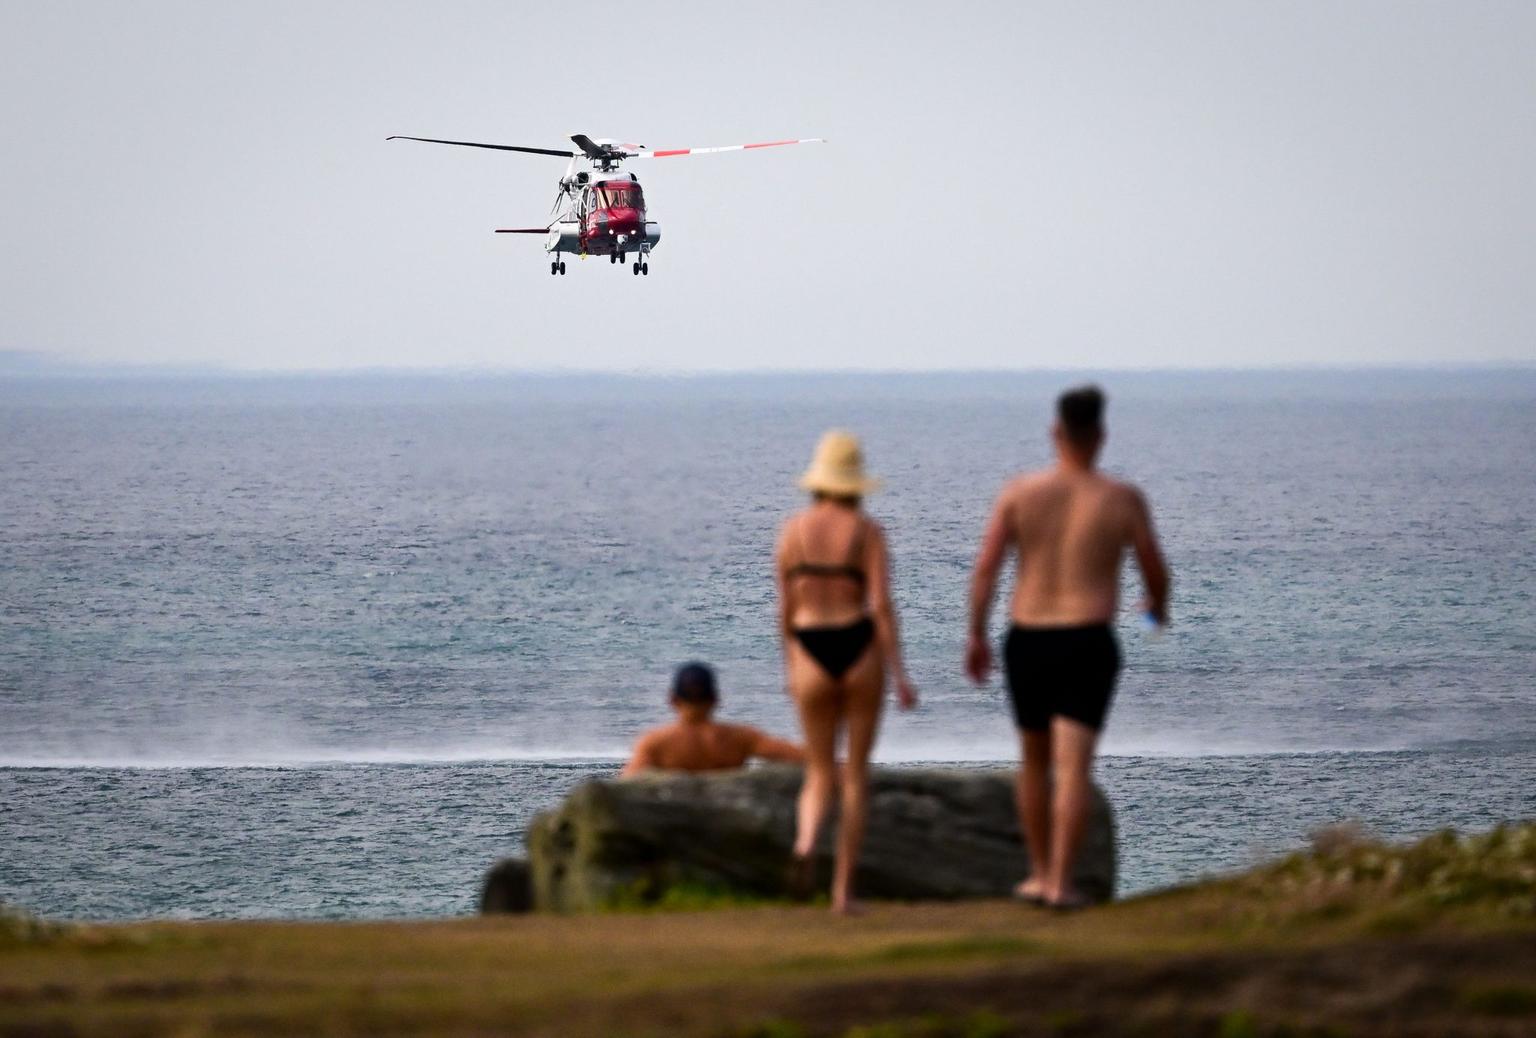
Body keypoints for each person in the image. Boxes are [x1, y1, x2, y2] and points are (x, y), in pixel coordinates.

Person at [965, 386, 1169, 911]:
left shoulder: (1019, 492)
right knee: (1075, 767)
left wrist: (976, 635)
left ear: (1055, 432)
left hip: (1028, 638)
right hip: (1086, 640)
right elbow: (1154, 569)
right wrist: (1156, 609)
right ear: (1101, 435)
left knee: (1033, 762)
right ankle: (1061, 883)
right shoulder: (1121, 499)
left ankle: (1037, 876)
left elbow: (986, 569)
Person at [776, 430, 918, 914]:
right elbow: (881, 606)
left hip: (808, 646)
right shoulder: (867, 531)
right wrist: (900, 674)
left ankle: (804, 843)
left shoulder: (792, 532)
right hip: (858, 646)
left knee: (819, 771)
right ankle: (842, 893)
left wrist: (790, 665)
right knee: (855, 775)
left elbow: (784, 610)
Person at [620, 662, 805, 777]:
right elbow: (798, 757)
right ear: (716, 698)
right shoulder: (740, 738)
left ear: (673, 699)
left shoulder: (656, 743)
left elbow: (625, 784)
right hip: (728, 822)